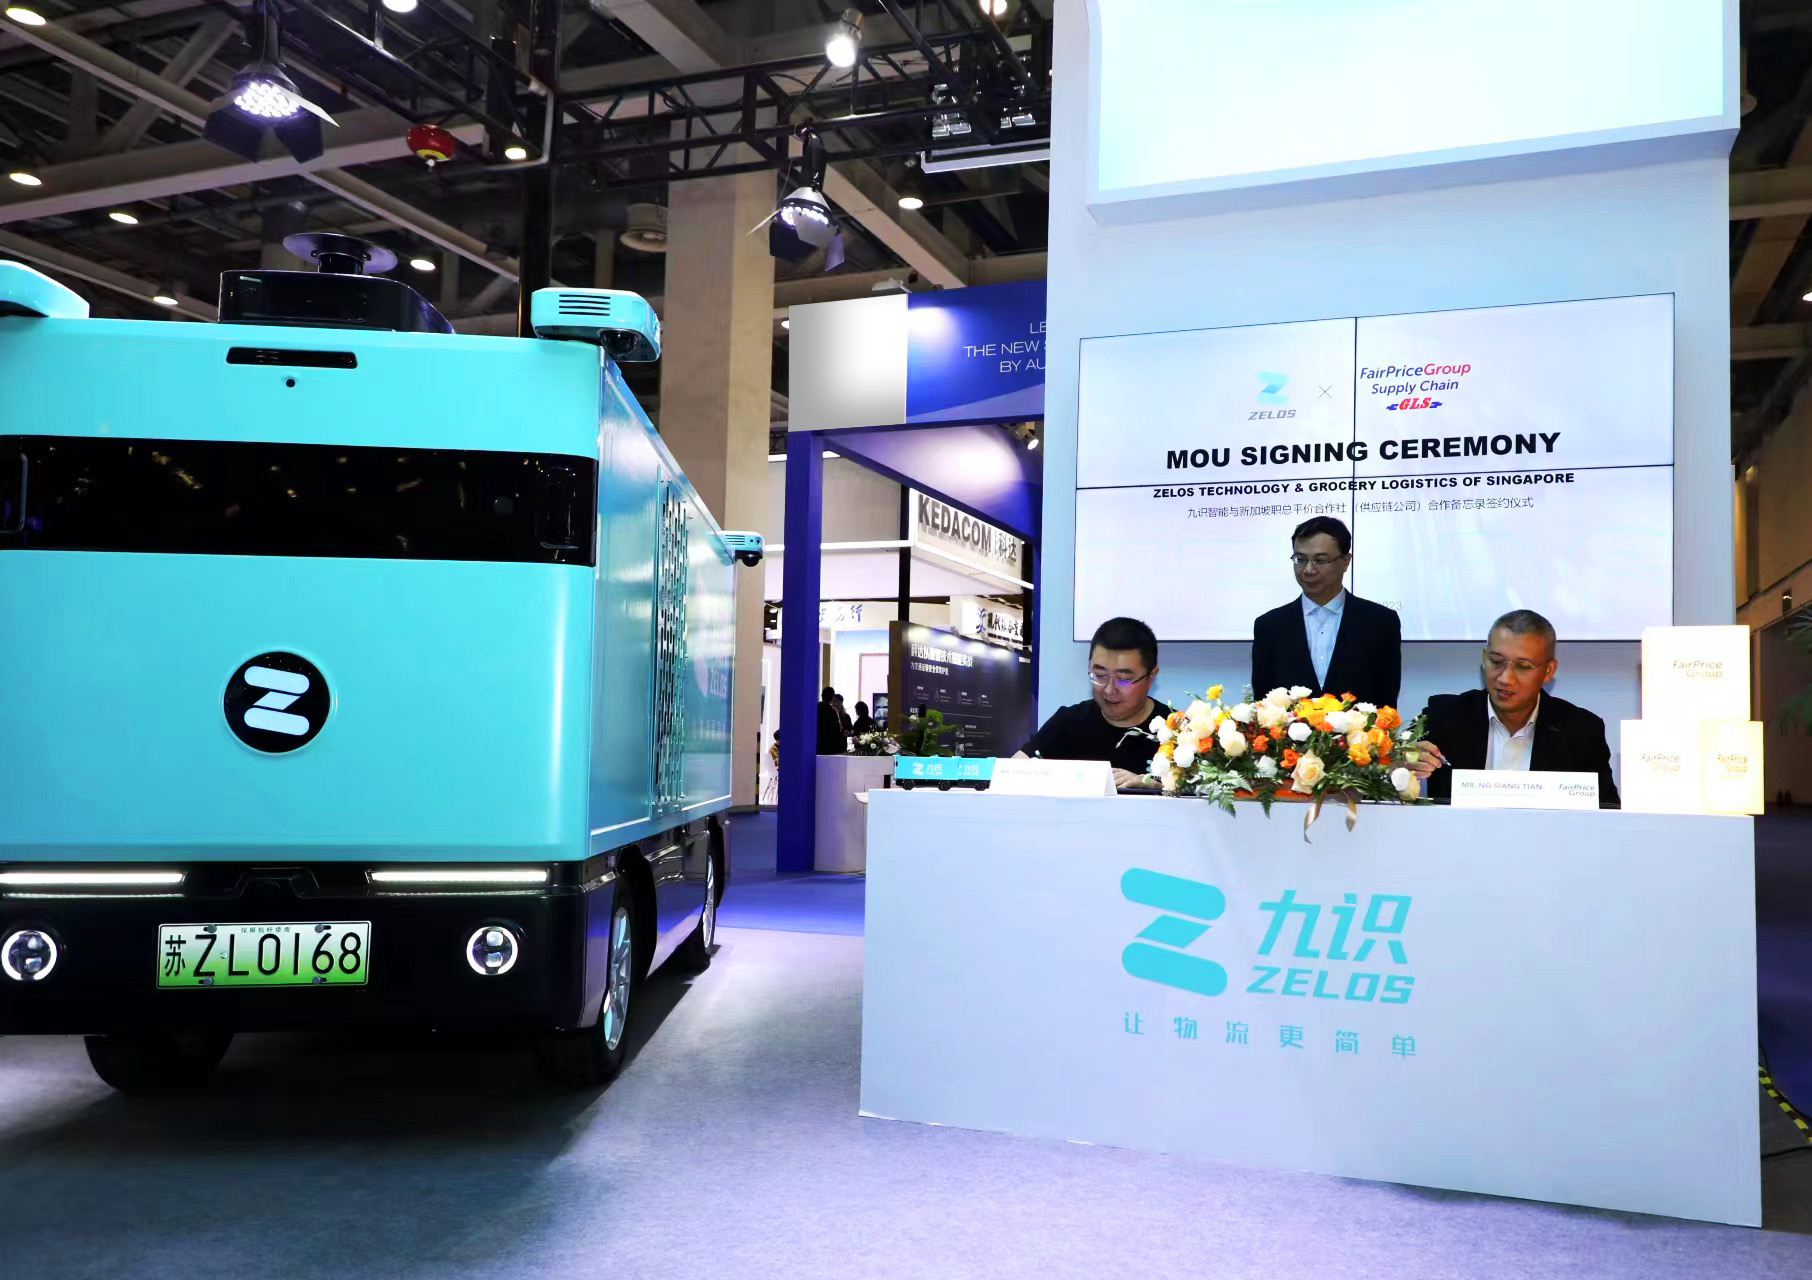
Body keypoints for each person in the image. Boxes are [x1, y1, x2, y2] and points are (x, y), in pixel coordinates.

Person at [1408, 608, 1620, 807]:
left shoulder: (1581, 732)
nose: (1505, 678)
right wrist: (1401, 768)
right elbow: (1395, 770)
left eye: (1523, 666)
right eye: (1496, 661)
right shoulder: (1442, 717)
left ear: (1548, 671)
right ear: (1484, 658)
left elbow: (1607, 815)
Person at [1252, 516, 1401, 710]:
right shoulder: (1269, 626)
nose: (1308, 570)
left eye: (1320, 560)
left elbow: (1387, 705)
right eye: (1300, 559)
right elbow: (1263, 703)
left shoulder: (1380, 622)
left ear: (1346, 561)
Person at [1017, 616, 1173, 790]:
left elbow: (1196, 794)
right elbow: (1012, 772)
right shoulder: (1068, 722)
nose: (1109, 690)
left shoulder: (1180, 733)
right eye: (1099, 676)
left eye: (1123, 679)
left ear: (1151, 676)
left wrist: (1158, 788)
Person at [817, 687, 847, 754]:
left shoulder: (815, 708)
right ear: (832, 698)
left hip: (816, 745)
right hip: (830, 747)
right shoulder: (833, 712)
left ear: (822, 695)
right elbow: (838, 729)